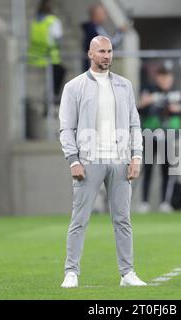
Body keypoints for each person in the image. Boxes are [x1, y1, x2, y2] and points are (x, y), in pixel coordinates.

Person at [59, 36, 146, 288]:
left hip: (119, 161)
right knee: (80, 219)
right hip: (88, 161)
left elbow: (133, 123)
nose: (106, 55)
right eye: (101, 51)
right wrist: (73, 159)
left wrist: (136, 156)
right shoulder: (74, 87)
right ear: (90, 54)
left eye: (109, 51)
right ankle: (71, 272)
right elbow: (66, 128)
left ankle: (127, 273)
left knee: (122, 219)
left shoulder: (124, 86)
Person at [137, 67, 181, 213]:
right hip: (151, 135)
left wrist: (178, 108)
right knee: (148, 169)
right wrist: (145, 102)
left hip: (169, 136)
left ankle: (165, 202)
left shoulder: (177, 94)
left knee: (168, 170)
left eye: (167, 78)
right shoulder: (149, 92)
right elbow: (138, 108)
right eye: (162, 78)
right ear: (157, 78)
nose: (165, 81)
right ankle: (144, 202)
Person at [28, 0, 66, 103]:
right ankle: (54, 99)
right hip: (50, 58)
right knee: (61, 72)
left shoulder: (35, 21)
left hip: (35, 58)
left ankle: (50, 100)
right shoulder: (52, 21)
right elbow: (58, 38)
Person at [81, 4, 128, 71]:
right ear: (96, 15)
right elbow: (111, 44)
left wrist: (119, 32)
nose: (105, 15)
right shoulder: (93, 29)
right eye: (103, 13)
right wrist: (120, 32)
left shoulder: (96, 28)